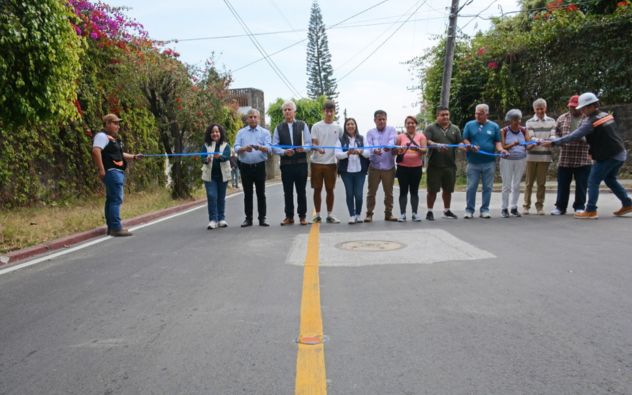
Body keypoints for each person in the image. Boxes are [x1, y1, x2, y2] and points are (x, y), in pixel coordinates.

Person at [544, 92, 632, 219]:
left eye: (584, 108)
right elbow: (604, 136)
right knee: (610, 179)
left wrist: (553, 142)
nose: (582, 110)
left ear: (592, 106)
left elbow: (574, 136)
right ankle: (627, 203)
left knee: (593, 181)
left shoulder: (591, 121)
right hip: (619, 153)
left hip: (609, 156)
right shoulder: (606, 115)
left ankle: (591, 210)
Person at [91, 113, 143, 237]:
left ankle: (111, 227)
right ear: (107, 124)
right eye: (115, 123)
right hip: (112, 172)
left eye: (118, 123)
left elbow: (120, 154)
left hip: (116, 172)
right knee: (116, 199)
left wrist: (134, 157)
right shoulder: (102, 136)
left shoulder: (112, 139)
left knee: (111, 199)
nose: (118, 126)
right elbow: (96, 151)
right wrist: (101, 169)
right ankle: (116, 227)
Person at [462, 104, 509, 218]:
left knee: (488, 187)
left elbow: (497, 142)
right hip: (473, 162)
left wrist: (501, 150)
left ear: (486, 114)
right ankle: (469, 210)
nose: (477, 115)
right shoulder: (469, 125)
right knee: (471, 187)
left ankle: (484, 210)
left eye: (480, 113)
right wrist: (471, 145)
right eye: (476, 113)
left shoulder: (494, 126)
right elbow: (465, 139)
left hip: (489, 162)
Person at [551, 95, 592, 215]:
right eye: (570, 107)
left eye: (575, 107)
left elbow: (594, 137)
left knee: (581, 185)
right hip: (565, 158)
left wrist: (583, 139)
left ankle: (579, 206)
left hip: (583, 158)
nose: (572, 109)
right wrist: (556, 139)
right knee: (563, 184)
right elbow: (555, 133)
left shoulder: (588, 119)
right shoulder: (561, 118)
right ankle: (560, 207)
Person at [272, 101, 311, 225]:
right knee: (287, 192)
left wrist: (303, 149)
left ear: (295, 111)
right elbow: (274, 147)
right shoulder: (278, 128)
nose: (287, 111)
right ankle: (289, 216)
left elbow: (309, 144)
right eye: (285, 110)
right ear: (283, 112)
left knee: (301, 191)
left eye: (289, 109)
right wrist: (284, 152)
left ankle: (302, 216)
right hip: (286, 165)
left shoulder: (302, 125)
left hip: (301, 164)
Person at [234, 109, 271, 227]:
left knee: (261, 193)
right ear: (247, 119)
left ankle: (262, 218)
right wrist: (244, 148)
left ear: (259, 119)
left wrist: (260, 147)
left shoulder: (265, 132)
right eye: (250, 117)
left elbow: (269, 149)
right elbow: (236, 148)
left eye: (255, 117)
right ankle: (248, 219)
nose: (253, 119)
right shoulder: (241, 133)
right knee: (247, 194)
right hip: (245, 166)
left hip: (259, 166)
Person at [423, 106, 462, 220]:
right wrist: (436, 145)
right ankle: (429, 211)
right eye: (443, 115)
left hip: (450, 165)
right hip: (434, 165)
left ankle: (447, 210)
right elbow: (427, 142)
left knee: (448, 190)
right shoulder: (430, 128)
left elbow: (459, 143)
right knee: (432, 190)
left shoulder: (455, 128)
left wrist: (466, 147)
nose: (445, 117)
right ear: (437, 116)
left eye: (447, 115)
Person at [310, 100, 342, 224]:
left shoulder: (338, 128)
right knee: (317, 189)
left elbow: (341, 144)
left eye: (331, 111)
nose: (329, 113)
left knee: (330, 190)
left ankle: (330, 214)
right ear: (323, 111)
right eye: (327, 111)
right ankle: (317, 215)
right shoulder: (316, 126)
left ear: (334, 112)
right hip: (317, 162)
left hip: (331, 163)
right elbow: (314, 142)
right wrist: (318, 148)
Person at [523, 98, 557, 215]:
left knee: (541, 184)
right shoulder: (529, 122)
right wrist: (544, 140)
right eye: (537, 109)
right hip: (531, 157)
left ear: (545, 108)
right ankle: (526, 206)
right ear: (534, 109)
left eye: (541, 109)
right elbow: (531, 138)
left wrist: (543, 140)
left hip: (545, 157)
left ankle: (539, 206)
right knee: (528, 183)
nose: (539, 111)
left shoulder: (552, 121)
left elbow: (553, 137)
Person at [364, 110, 398, 222]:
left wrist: (389, 146)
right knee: (371, 192)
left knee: (389, 193)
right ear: (375, 120)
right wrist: (374, 150)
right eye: (379, 119)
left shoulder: (392, 130)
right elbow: (368, 146)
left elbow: (393, 140)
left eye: (384, 119)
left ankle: (388, 213)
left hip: (389, 167)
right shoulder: (370, 133)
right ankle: (369, 214)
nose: (382, 121)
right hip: (374, 167)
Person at [336, 118, 370, 224]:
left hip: (360, 171)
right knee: (349, 193)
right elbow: (337, 154)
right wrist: (348, 153)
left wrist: (360, 151)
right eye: (348, 124)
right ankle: (351, 215)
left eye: (352, 124)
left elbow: (368, 153)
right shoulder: (340, 140)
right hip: (346, 172)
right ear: (345, 126)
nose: (350, 126)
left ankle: (358, 214)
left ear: (356, 126)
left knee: (359, 194)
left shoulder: (362, 138)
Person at [395, 116, 427, 222]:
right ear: (405, 125)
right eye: (408, 123)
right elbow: (393, 151)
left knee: (414, 191)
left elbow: (424, 150)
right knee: (403, 191)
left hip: (416, 168)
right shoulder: (400, 137)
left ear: (416, 124)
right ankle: (402, 214)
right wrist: (399, 150)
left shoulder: (421, 136)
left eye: (413, 123)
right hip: (402, 168)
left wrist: (417, 149)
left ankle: (414, 213)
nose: (410, 124)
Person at [499, 109, 530, 218]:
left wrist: (535, 143)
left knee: (516, 185)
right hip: (507, 160)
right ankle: (504, 208)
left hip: (520, 159)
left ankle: (514, 207)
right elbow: (502, 146)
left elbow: (528, 145)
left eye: (519, 119)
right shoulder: (504, 131)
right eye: (514, 119)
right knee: (506, 185)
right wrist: (513, 144)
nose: (517, 121)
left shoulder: (524, 130)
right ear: (510, 120)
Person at [201, 124, 231, 229]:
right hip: (209, 176)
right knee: (212, 196)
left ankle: (221, 219)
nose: (215, 134)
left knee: (221, 198)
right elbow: (202, 157)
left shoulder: (226, 145)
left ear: (220, 133)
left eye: (217, 132)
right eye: (213, 132)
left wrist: (220, 157)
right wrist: (207, 159)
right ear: (209, 134)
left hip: (223, 176)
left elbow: (227, 156)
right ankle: (213, 220)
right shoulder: (206, 145)